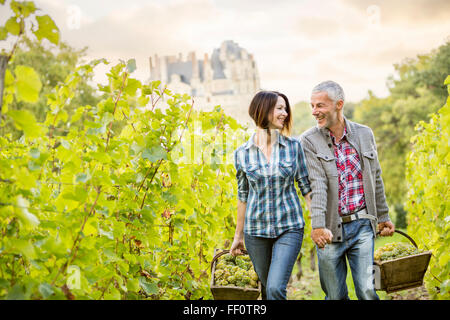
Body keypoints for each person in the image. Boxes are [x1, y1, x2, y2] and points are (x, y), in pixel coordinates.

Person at [300, 80, 395, 300]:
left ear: (338, 104)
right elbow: (318, 185)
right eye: (312, 105)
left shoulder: (364, 134)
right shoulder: (308, 140)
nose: (315, 111)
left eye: (320, 106)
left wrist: (383, 216)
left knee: (368, 290)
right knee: (334, 296)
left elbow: (376, 177)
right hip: (330, 230)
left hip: (362, 225)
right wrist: (318, 226)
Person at [230, 90, 312, 300]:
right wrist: (238, 236)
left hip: (289, 227)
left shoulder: (294, 147)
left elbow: (306, 187)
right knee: (266, 291)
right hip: (255, 232)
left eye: (285, 108)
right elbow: (243, 195)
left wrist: (319, 223)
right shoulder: (242, 153)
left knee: (276, 288)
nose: (285, 113)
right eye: (279, 108)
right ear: (263, 110)